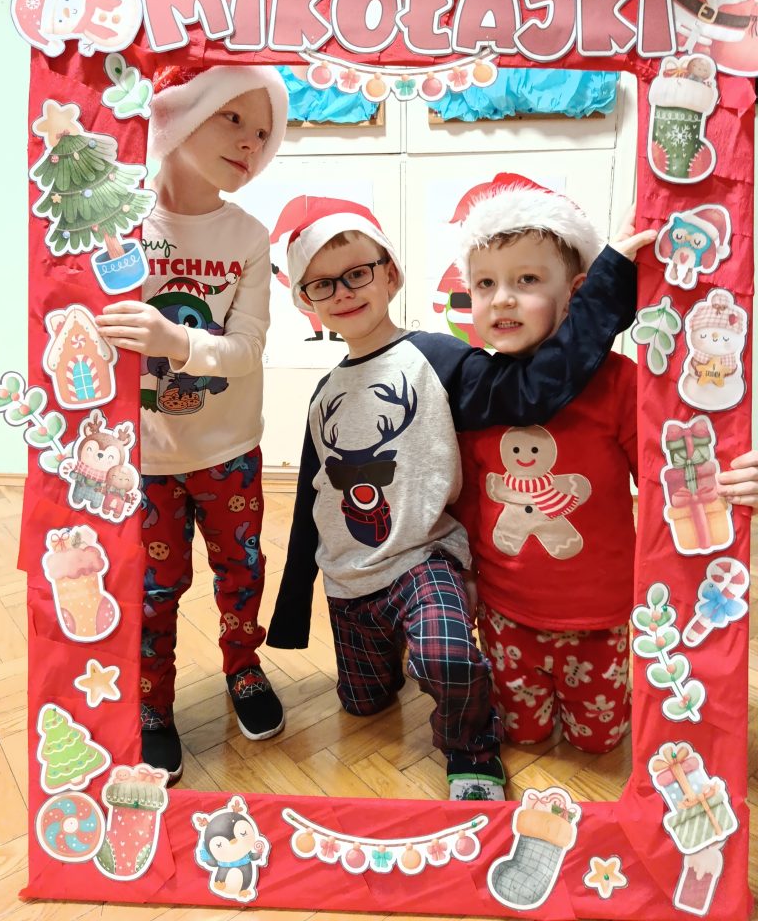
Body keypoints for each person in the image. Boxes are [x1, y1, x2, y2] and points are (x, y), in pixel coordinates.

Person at [266, 195, 654, 800]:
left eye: (357, 273)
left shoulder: (441, 358)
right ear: (304, 302)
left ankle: (469, 751)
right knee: (363, 704)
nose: (342, 292)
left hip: (428, 561)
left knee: (460, 666)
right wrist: (292, 611)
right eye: (322, 284)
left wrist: (612, 277)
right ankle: (391, 654)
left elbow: (538, 387)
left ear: (391, 274)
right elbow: (311, 501)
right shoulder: (325, 392)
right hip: (351, 575)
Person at [451, 173, 758, 754]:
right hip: (506, 610)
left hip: (602, 615)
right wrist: (464, 576)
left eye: (527, 280)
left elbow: (670, 475)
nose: (503, 298)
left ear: (577, 293)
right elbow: (469, 495)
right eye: (485, 284)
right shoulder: (479, 387)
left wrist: (730, 481)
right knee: (523, 734)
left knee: (600, 742)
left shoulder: (619, 383)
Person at [96, 64, 289, 783]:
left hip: (228, 448)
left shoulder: (249, 236)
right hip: (142, 456)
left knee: (241, 570)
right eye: (232, 117)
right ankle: (152, 703)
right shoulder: (116, 226)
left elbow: (247, 348)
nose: (250, 142)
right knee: (153, 587)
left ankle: (243, 666)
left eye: (263, 132)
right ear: (178, 114)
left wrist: (175, 341)